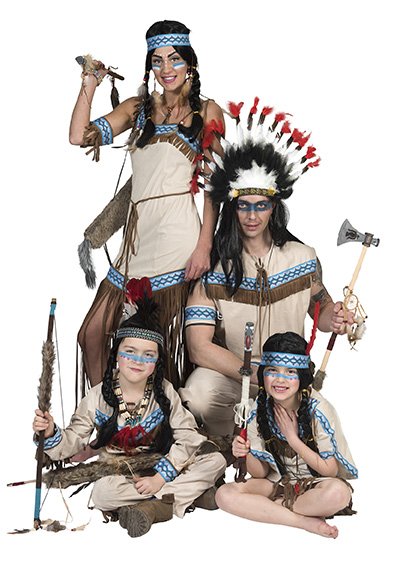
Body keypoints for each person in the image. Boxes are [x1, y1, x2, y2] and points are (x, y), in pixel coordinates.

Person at [180, 101, 353, 436]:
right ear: (232, 208)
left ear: (274, 207)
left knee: (316, 430)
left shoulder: (302, 257)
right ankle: (225, 447)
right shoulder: (214, 269)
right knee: (199, 394)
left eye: (261, 206)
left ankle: (275, 448)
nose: (252, 216)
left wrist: (336, 317)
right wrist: (256, 374)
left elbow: (321, 311)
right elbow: (198, 347)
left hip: (288, 375)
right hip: (234, 376)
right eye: (243, 206)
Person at [69, 20, 223, 387]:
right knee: (92, 334)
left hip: (177, 237)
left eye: (174, 59)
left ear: (190, 62)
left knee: (157, 344)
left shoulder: (207, 111)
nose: (166, 69)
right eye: (157, 61)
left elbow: (215, 183)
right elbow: (78, 136)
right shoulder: (137, 108)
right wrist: (90, 81)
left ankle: (161, 416)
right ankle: (106, 413)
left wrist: (204, 245)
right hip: (136, 241)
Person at [32, 291, 226, 537]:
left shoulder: (164, 391)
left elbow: (189, 437)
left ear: (157, 361)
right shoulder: (97, 397)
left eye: (148, 355)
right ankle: (181, 498)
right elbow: (73, 441)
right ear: (116, 354)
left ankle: (154, 506)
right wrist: (50, 431)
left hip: (162, 466)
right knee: (102, 494)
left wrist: (160, 477)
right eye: (130, 351)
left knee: (216, 461)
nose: (138, 361)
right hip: (120, 474)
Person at [215, 331, 357, 539]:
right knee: (224, 495)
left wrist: (293, 439)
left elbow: (330, 469)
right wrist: (245, 451)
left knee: (338, 494)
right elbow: (260, 473)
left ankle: (270, 509)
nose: (280, 380)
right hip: (277, 483)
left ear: (302, 376)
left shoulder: (319, 410)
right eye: (272, 370)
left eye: (290, 372)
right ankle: (303, 521)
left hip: (316, 485)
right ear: (263, 374)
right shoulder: (259, 408)